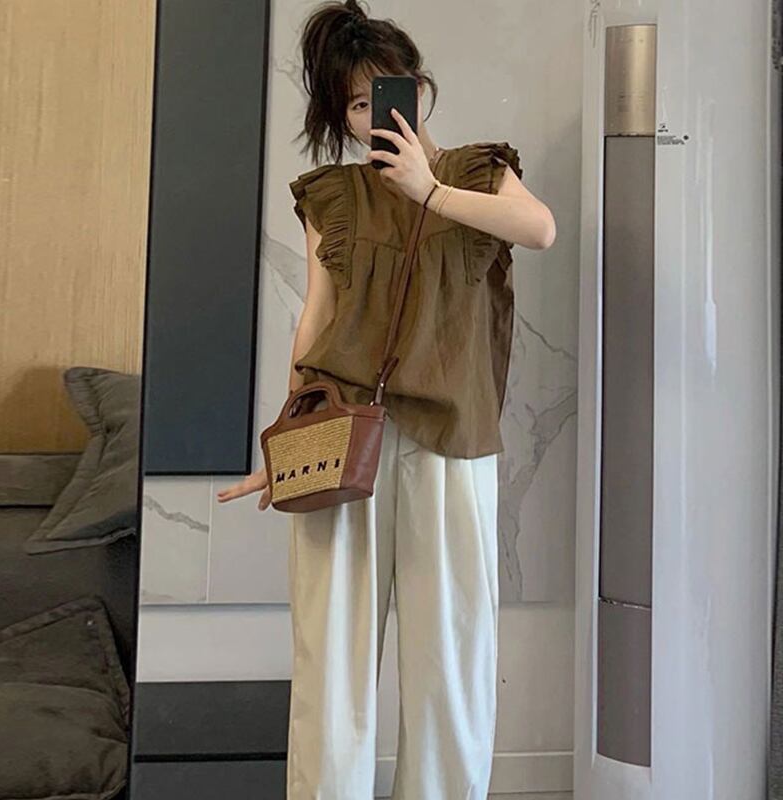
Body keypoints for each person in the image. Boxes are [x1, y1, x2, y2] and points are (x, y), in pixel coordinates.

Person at [217, 1, 556, 797]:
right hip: (340, 433)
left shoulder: (477, 173)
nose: (375, 114)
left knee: (452, 656)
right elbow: (316, 319)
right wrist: (286, 442)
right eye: (357, 104)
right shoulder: (332, 196)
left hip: (452, 437)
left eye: (388, 93)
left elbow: (538, 229)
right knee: (330, 655)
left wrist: (426, 190)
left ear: (420, 88)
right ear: (342, 116)